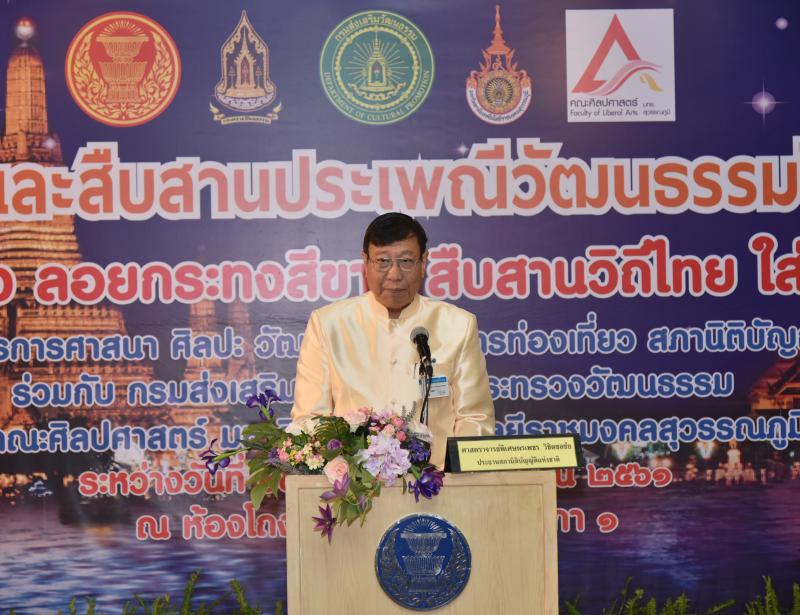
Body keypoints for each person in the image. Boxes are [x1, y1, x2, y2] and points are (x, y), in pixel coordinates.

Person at [290, 213, 495, 467]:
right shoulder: (328, 324)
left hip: (438, 484)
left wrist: (455, 476)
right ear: (365, 262)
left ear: (423, 262)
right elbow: (309, 419)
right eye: (383, 261)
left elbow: (475, 419)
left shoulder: (457, 326)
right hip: (355, 485)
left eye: (406, 261)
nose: (395, 274)